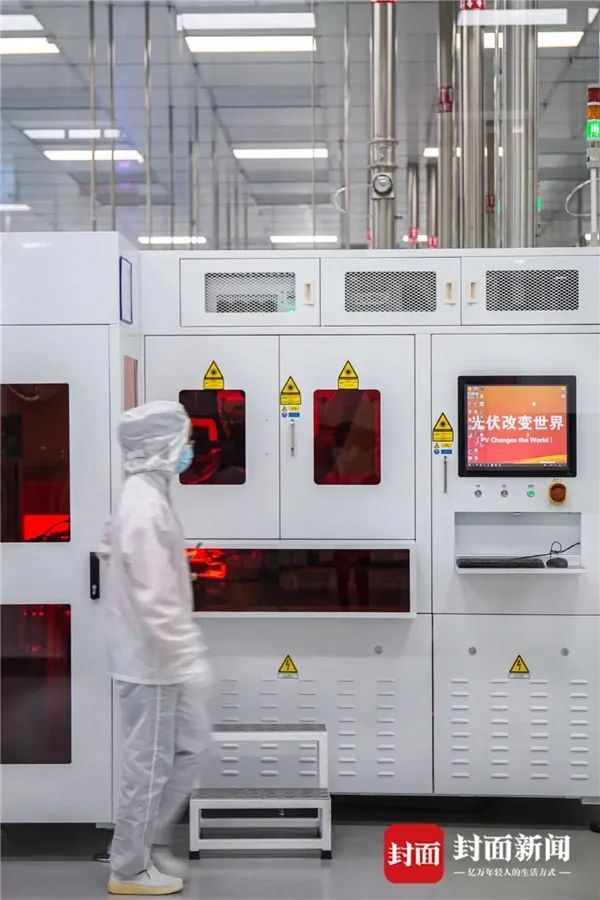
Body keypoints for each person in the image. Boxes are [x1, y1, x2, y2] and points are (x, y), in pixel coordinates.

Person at [99, 401, 212, 896]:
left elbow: (109, 548)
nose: (190, 450)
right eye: (184, 441)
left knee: (189, 747)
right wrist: (186, 655)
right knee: (148, 767)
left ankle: (151, 843)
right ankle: (128, 869)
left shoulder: (145, 493)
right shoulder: (144, 505)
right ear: (162, 445)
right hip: (152, 661)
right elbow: (155, 596)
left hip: (157, 656)